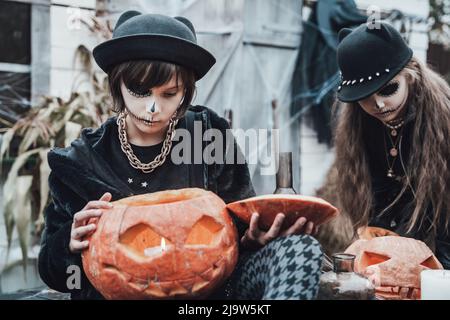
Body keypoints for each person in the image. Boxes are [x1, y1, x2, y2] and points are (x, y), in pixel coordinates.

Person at [38, 11, 323, 299]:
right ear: (118, 84)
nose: (152, 107)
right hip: (120, 294)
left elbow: (235, 234)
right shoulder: (80, 161)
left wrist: (252, 238)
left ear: (185, 91)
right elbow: (58, 276)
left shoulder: (209, 135)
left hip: (210, 295)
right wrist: (69, 244)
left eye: (168, 93)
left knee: (299, 249)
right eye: (139, 91)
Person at [330, 21, 450, 269]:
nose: (380, 105)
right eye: (365, 98)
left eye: (389, 89)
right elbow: (374, 189)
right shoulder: (359, 124)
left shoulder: (443, 117)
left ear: (411, 74)